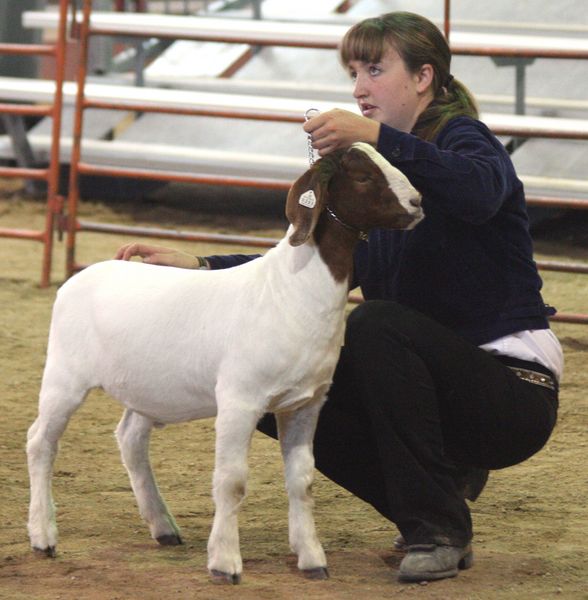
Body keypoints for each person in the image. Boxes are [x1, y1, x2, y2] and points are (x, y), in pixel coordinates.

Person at [115, 12, 563, 583]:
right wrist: (199, 265)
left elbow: (478, 193)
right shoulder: (378, 182)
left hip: (512, 391)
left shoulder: (464, 139)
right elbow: (303, 263)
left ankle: (437, 525)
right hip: (430, 386)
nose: (358, 88)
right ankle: (437, 500)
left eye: (375, 69)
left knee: (375, 325)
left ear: (423, 77)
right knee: (277, 382)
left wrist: (375, 137)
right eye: (354, 71)